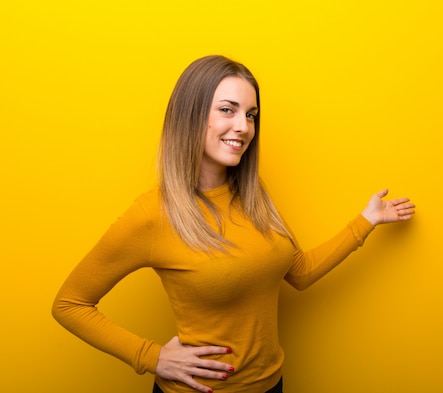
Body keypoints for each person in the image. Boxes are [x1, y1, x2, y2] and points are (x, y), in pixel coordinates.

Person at [52, 55, 415, 393]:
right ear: (190, 115)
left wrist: (365, 221)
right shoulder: (153, 214)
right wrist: (150, 356)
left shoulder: (254, 195)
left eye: (251, 114)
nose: (243, 127)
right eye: (228, 110)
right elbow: (69, 304)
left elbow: (299, 272)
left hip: (272, 384)